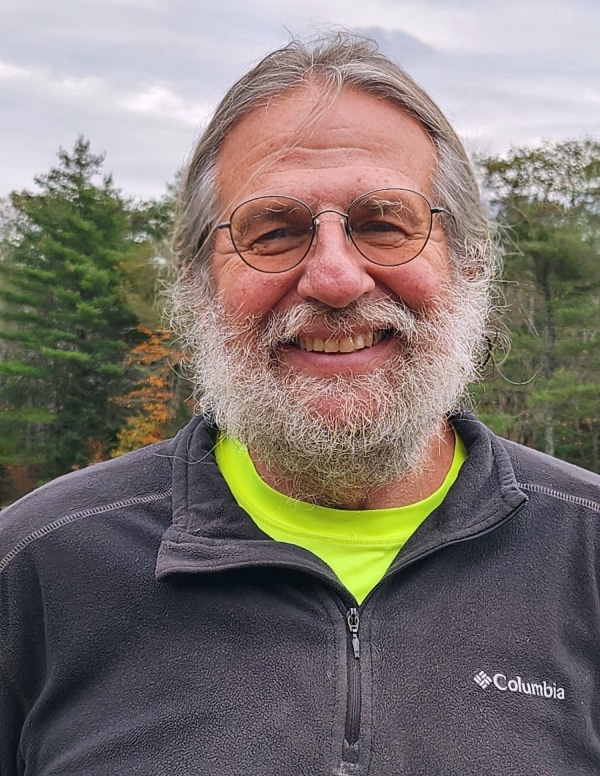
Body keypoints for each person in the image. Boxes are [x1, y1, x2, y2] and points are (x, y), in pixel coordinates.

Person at [1, 32, 599, 776]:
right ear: (197, 284)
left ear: (469, 260)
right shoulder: (35, 570)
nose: (336, 279)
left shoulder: (588, 556)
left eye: (384, 222)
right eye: (274, 232)